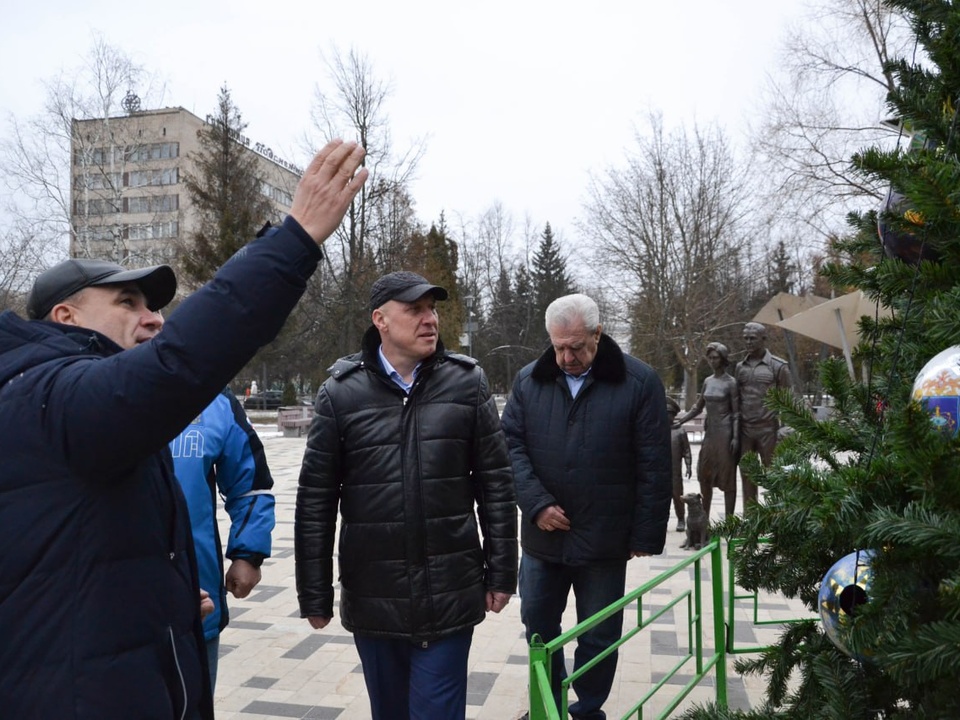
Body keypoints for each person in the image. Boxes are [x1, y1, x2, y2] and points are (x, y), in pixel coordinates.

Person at [0, 139, 367, 719]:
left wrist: (161, 596)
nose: (153, 318)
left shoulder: (70, 408)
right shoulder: (49, 395)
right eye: (128, 302)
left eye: (152, 305)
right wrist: (294, 239)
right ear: (64, 316)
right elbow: (179, 362)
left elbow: (74, 560)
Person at [294, 270, 518, 720]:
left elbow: (495, 483)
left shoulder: (466, 383)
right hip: (375, 596)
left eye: (432, 309)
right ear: (380, 319)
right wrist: (313, 593)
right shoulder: (340, 394)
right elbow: (315, 501)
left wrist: (501, 574)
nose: (429, 319)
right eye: (414, 310)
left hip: (450, 590)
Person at [500, 293, 672, 720]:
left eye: (576, 346)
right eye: (558, 346)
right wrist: (536, 504)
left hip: (604, 538)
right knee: (539, 627)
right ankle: (551, 704)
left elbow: (654, 462)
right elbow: (509, 447)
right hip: (542, 539)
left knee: (599, 633)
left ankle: (587, 709)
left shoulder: (639, 381)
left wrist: (645, 534)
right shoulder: (528, 380)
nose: (565, 357)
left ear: (598, 333)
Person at [170, 388, 276, 690]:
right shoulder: (87, 389)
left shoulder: (214, 401)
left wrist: (248, 554)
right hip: (104, 603)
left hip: (195, 597)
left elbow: (250, 485)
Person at [673, 342, 740, 519]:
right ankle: (705, 519)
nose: (712, 361)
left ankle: (729, 521)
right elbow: (697, 407)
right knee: (705, 475)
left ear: (723, 359)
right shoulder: (708, 381)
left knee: (727, 478)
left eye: (715, 357)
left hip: (725, 436)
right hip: (710, 435)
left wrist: (735, 437)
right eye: (709, 358)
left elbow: (736, 413)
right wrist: (680, 422)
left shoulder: (731, 383)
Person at [735, 322, 791, 506]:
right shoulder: (739, 367)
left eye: (752, 338)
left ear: (763, 339)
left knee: (775, 478)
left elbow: (788, 402)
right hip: (745, 432)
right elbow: (736, 400)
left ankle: (778, 522)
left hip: (769, 431)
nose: (748, 342)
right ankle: (751, 525)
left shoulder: (778, 366)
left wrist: (785, 429)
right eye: (745, 338)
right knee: (747, 479)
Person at [666, 398, 693, 531]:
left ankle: (681, 519)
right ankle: (661, 520)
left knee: (678, 496)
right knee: (661, 498)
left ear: (674, 415)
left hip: (675, 472)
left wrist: (688, 465)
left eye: (669, 414)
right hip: (660, 471)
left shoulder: (680, 432)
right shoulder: (657, 430)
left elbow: (686, 451)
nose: (667, 417)